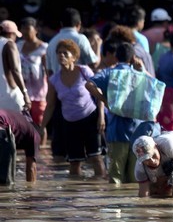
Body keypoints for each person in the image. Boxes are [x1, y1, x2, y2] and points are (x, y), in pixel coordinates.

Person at [41, 39, 105, 177]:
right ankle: (76, 194)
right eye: (58, 53)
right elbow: (50, 105)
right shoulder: (54, 80)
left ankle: (101, 192)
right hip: (70, 123)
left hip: (90, 119)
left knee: (96, 158)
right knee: (74, 162)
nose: (61, 55)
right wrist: (42, 127)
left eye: (65, 53)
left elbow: (99, 94)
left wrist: (101, 116)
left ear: (74, 57)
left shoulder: (84, 71)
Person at [85, 42, 144, 184]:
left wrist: (104, 100)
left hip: (117, 132)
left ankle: (116, 204)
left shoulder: (109, 73)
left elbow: (89, 84)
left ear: (116, 56)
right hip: (138, 132)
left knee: (115, 178)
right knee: (136, 178)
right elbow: (155, 88)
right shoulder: (139, 74)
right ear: (133, 58)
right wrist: (142, 69)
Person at [17, 18, 48, 126]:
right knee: (22, 124)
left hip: (39, 93)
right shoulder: (18, 46)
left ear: (36, 30)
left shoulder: (44, 48)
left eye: (27, 29)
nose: (24, 32)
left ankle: (40, 143)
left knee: (39, 123)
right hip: (21, 92)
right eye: (22, 29)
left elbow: (48, 71)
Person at [0, 109, 39, 183]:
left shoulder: (21, 124)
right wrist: (30, 190)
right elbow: (31, 169)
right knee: (5, 180)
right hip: (3, 129)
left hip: (4, 125)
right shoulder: (35, 137)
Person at [0, 20, 31, 112]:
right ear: (11, 34)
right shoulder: (9, 44)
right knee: (21, 125)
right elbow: (15, 70)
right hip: (10, 94)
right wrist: (25, 93)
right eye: (15, 36)